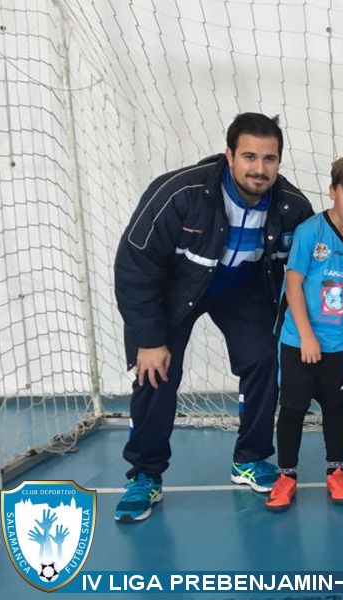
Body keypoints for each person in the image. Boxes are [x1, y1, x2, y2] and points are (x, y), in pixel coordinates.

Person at [113, 113, 313, 522]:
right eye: (250, 157)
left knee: (264, 359)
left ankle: (250, 459)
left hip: (241, 287)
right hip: (177, 289)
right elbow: (135, 265)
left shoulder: (292, 206)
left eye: (270, 159)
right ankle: (145, 475)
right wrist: (148, 339)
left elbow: (319, 255)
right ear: (229, 155)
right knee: (156, 371)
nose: (260, 169)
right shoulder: (179, 193)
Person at [265, 155, 343, 511]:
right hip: (299, 343)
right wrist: (306, 336)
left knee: (336, 410)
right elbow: (294, 284)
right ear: (334, 191)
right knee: (292, 409)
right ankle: (287, 475)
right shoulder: (310, 232)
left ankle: (336, 471)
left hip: (337, 348)